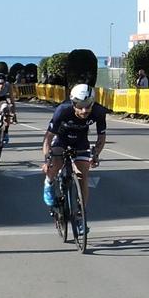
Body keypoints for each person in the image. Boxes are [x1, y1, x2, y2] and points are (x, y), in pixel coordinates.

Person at [43, 82, 109, 212]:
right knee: (55, 164)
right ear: (73, 103)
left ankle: (80, 214)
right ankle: (48, 183)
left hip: (80, 140)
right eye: (80, 106)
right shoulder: (63, 110)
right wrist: (47, 160)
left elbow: (101, 138)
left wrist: (95, 154)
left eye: (88, 105)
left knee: (82, 175)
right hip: (61, 138)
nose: (84, 110)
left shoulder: (99, 111)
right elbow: (48, 138)